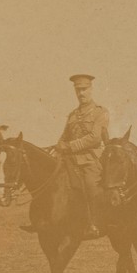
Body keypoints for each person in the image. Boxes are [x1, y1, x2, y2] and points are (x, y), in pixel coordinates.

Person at [25, 74, 110, 239]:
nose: (81, 93)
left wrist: (70, 146)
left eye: (84, 89)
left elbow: (94, 138)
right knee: (49, 181)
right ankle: (41, 219)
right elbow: (64, 136)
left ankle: (93, 223)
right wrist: (59, 146)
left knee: (91, 185)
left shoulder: (100, 112)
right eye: (78, 90)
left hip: (90, 159)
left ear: (91, 89)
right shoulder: (72, 115)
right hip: (69, 160)